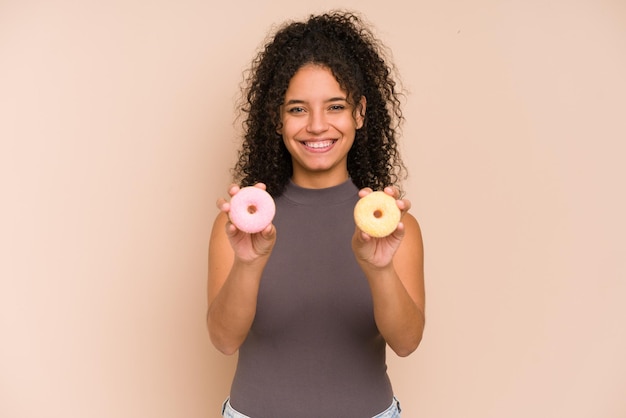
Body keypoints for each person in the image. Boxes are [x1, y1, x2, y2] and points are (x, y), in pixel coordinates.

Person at [207, 10, 425, 418]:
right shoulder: (238, 226)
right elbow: (223, 339)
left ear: (360, 113)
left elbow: (407, 342)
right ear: (276, 117)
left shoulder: (396, 227)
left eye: (335, 106)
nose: (318, 126)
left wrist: (379, 269)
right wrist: (248, 263)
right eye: (297, 109)